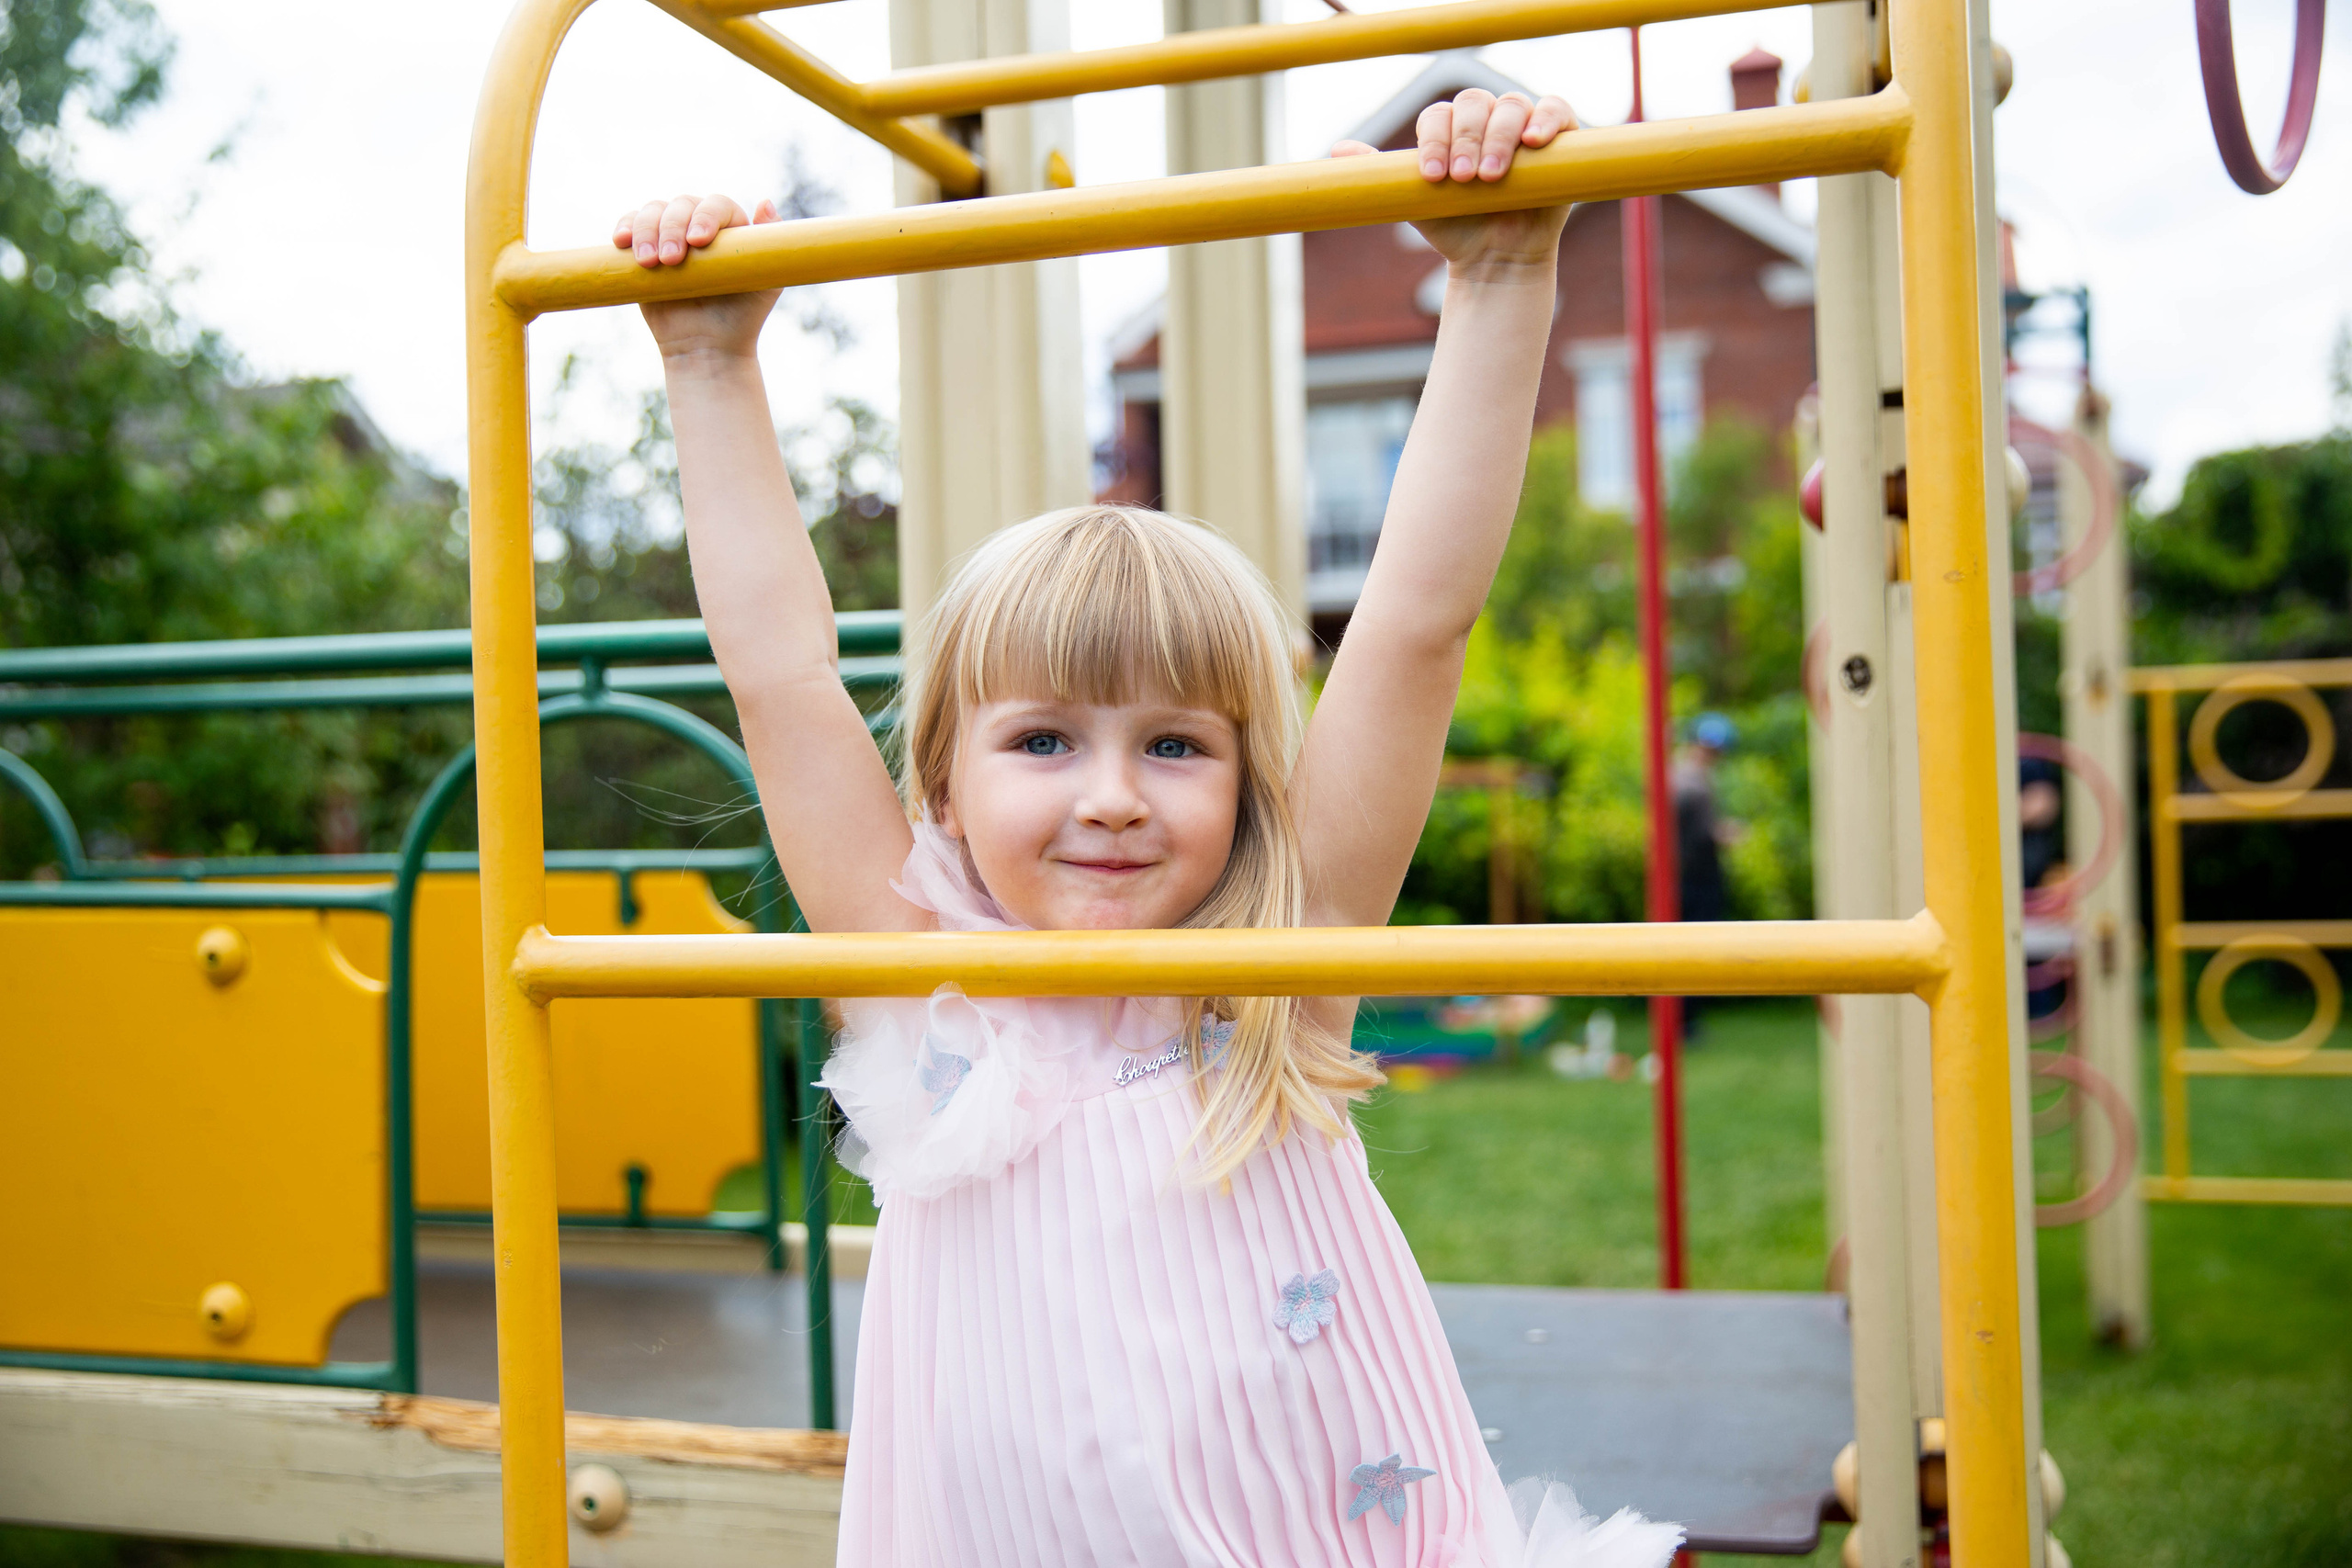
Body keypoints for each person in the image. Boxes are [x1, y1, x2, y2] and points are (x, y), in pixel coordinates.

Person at [616, 87, 1680, 1568]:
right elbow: (780, 673)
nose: (1112, 792)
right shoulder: (918, 976)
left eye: (1175, 744)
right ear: (944, 785)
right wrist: (707, 361)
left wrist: (1500, 278)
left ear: (1244, 782)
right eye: (1044, 739)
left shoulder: (1278, 966)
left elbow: (1412, 626)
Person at [1672, 713, 1738, 1039]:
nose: (1710, 756)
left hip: (1689, 875)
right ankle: (1685, 1021)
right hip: (1692, 877)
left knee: (1689, 947)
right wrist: (1724, 834)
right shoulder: (1689, 780)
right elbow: (1701, 834)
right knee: (1691, 948)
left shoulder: (1683, 775)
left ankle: (1686, 1018)